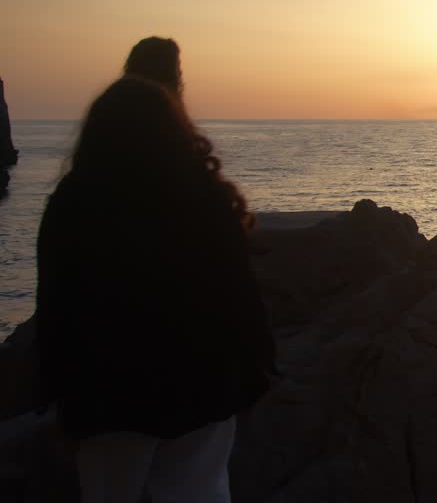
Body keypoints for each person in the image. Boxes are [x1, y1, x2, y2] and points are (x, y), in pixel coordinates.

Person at [35, 76, 275, 503]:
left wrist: (52, 388)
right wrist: (257, 365)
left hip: (110, 395)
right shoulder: (208, 198)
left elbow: (57, 304)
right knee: (201, 491)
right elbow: (240, 293)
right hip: (204, 385)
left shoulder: (74, 204)